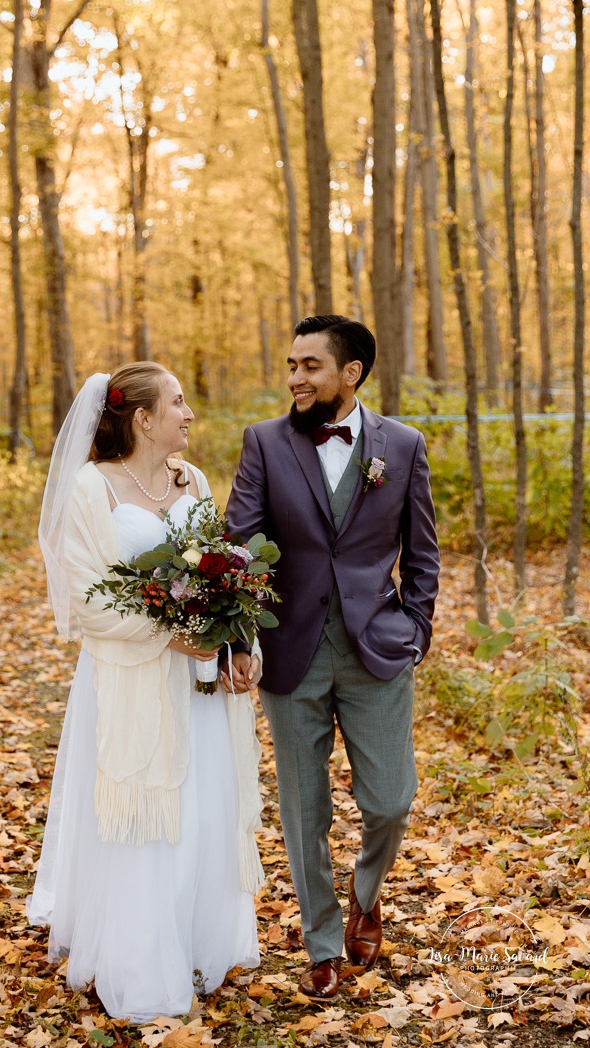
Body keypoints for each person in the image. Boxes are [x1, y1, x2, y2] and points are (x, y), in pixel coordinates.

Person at [27, 363, 263, 1022]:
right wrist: (168, 636)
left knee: (199, 811)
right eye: (178, 402)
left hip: (200, 684)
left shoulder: (194, 481)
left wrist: (239, 644)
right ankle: (139, 963)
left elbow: (227, 574)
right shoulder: (89, 488)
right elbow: (88, 603)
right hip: (130, 679)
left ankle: (196, 941)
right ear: (141, 417)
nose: (189, 413)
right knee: (144, 820)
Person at [222, 315, 440, 1000]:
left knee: (390, 801)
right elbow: (238, 543)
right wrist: (238, 635)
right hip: (290, 653)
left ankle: (365, 896)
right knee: (303, 808)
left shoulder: (401, 446)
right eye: (290, 364)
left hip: (377, 648)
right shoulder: (263, 442)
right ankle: (320, 943)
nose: (294, 378)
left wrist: (415, 629)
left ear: (350, 373)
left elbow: (423, 551)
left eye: (309, 365)